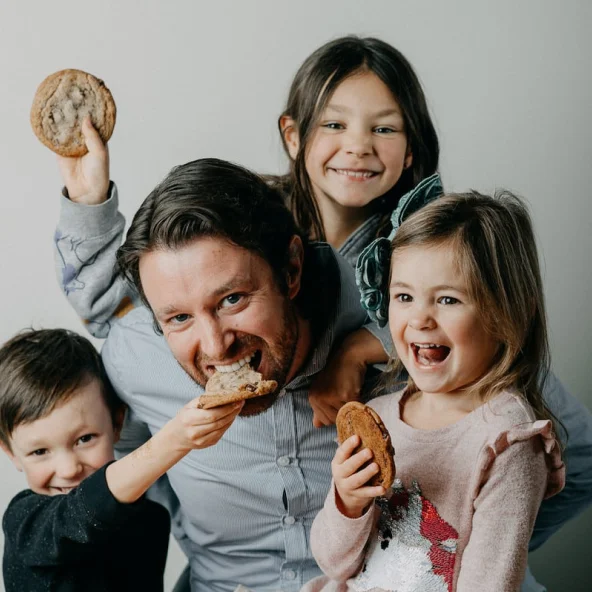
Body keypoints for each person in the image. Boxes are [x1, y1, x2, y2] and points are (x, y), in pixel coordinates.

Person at [49, 36, 592, 591]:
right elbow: (109, 329)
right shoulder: (138, 348)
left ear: (291, 272)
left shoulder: (412, 334)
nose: (215, 347)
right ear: (294, 135)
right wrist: (86, 199)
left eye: (233, 300)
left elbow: (558, 444)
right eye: (179, 318)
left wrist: (456, 555)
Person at [305, 191, 566, 592]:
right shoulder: (381, 412)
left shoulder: (507, 443)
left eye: (448, 299)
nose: (420, 318)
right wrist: (348, 502)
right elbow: (334, 564)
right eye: (404, 297)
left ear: (504, 312)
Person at [0, 327, 244, 591]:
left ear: (117, 424)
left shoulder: (150, 521)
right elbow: (76, 517)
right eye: (39, 452)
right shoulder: (25, 522)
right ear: (11, 453)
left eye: (85, 439)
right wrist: (174, 440)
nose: (69, 469)